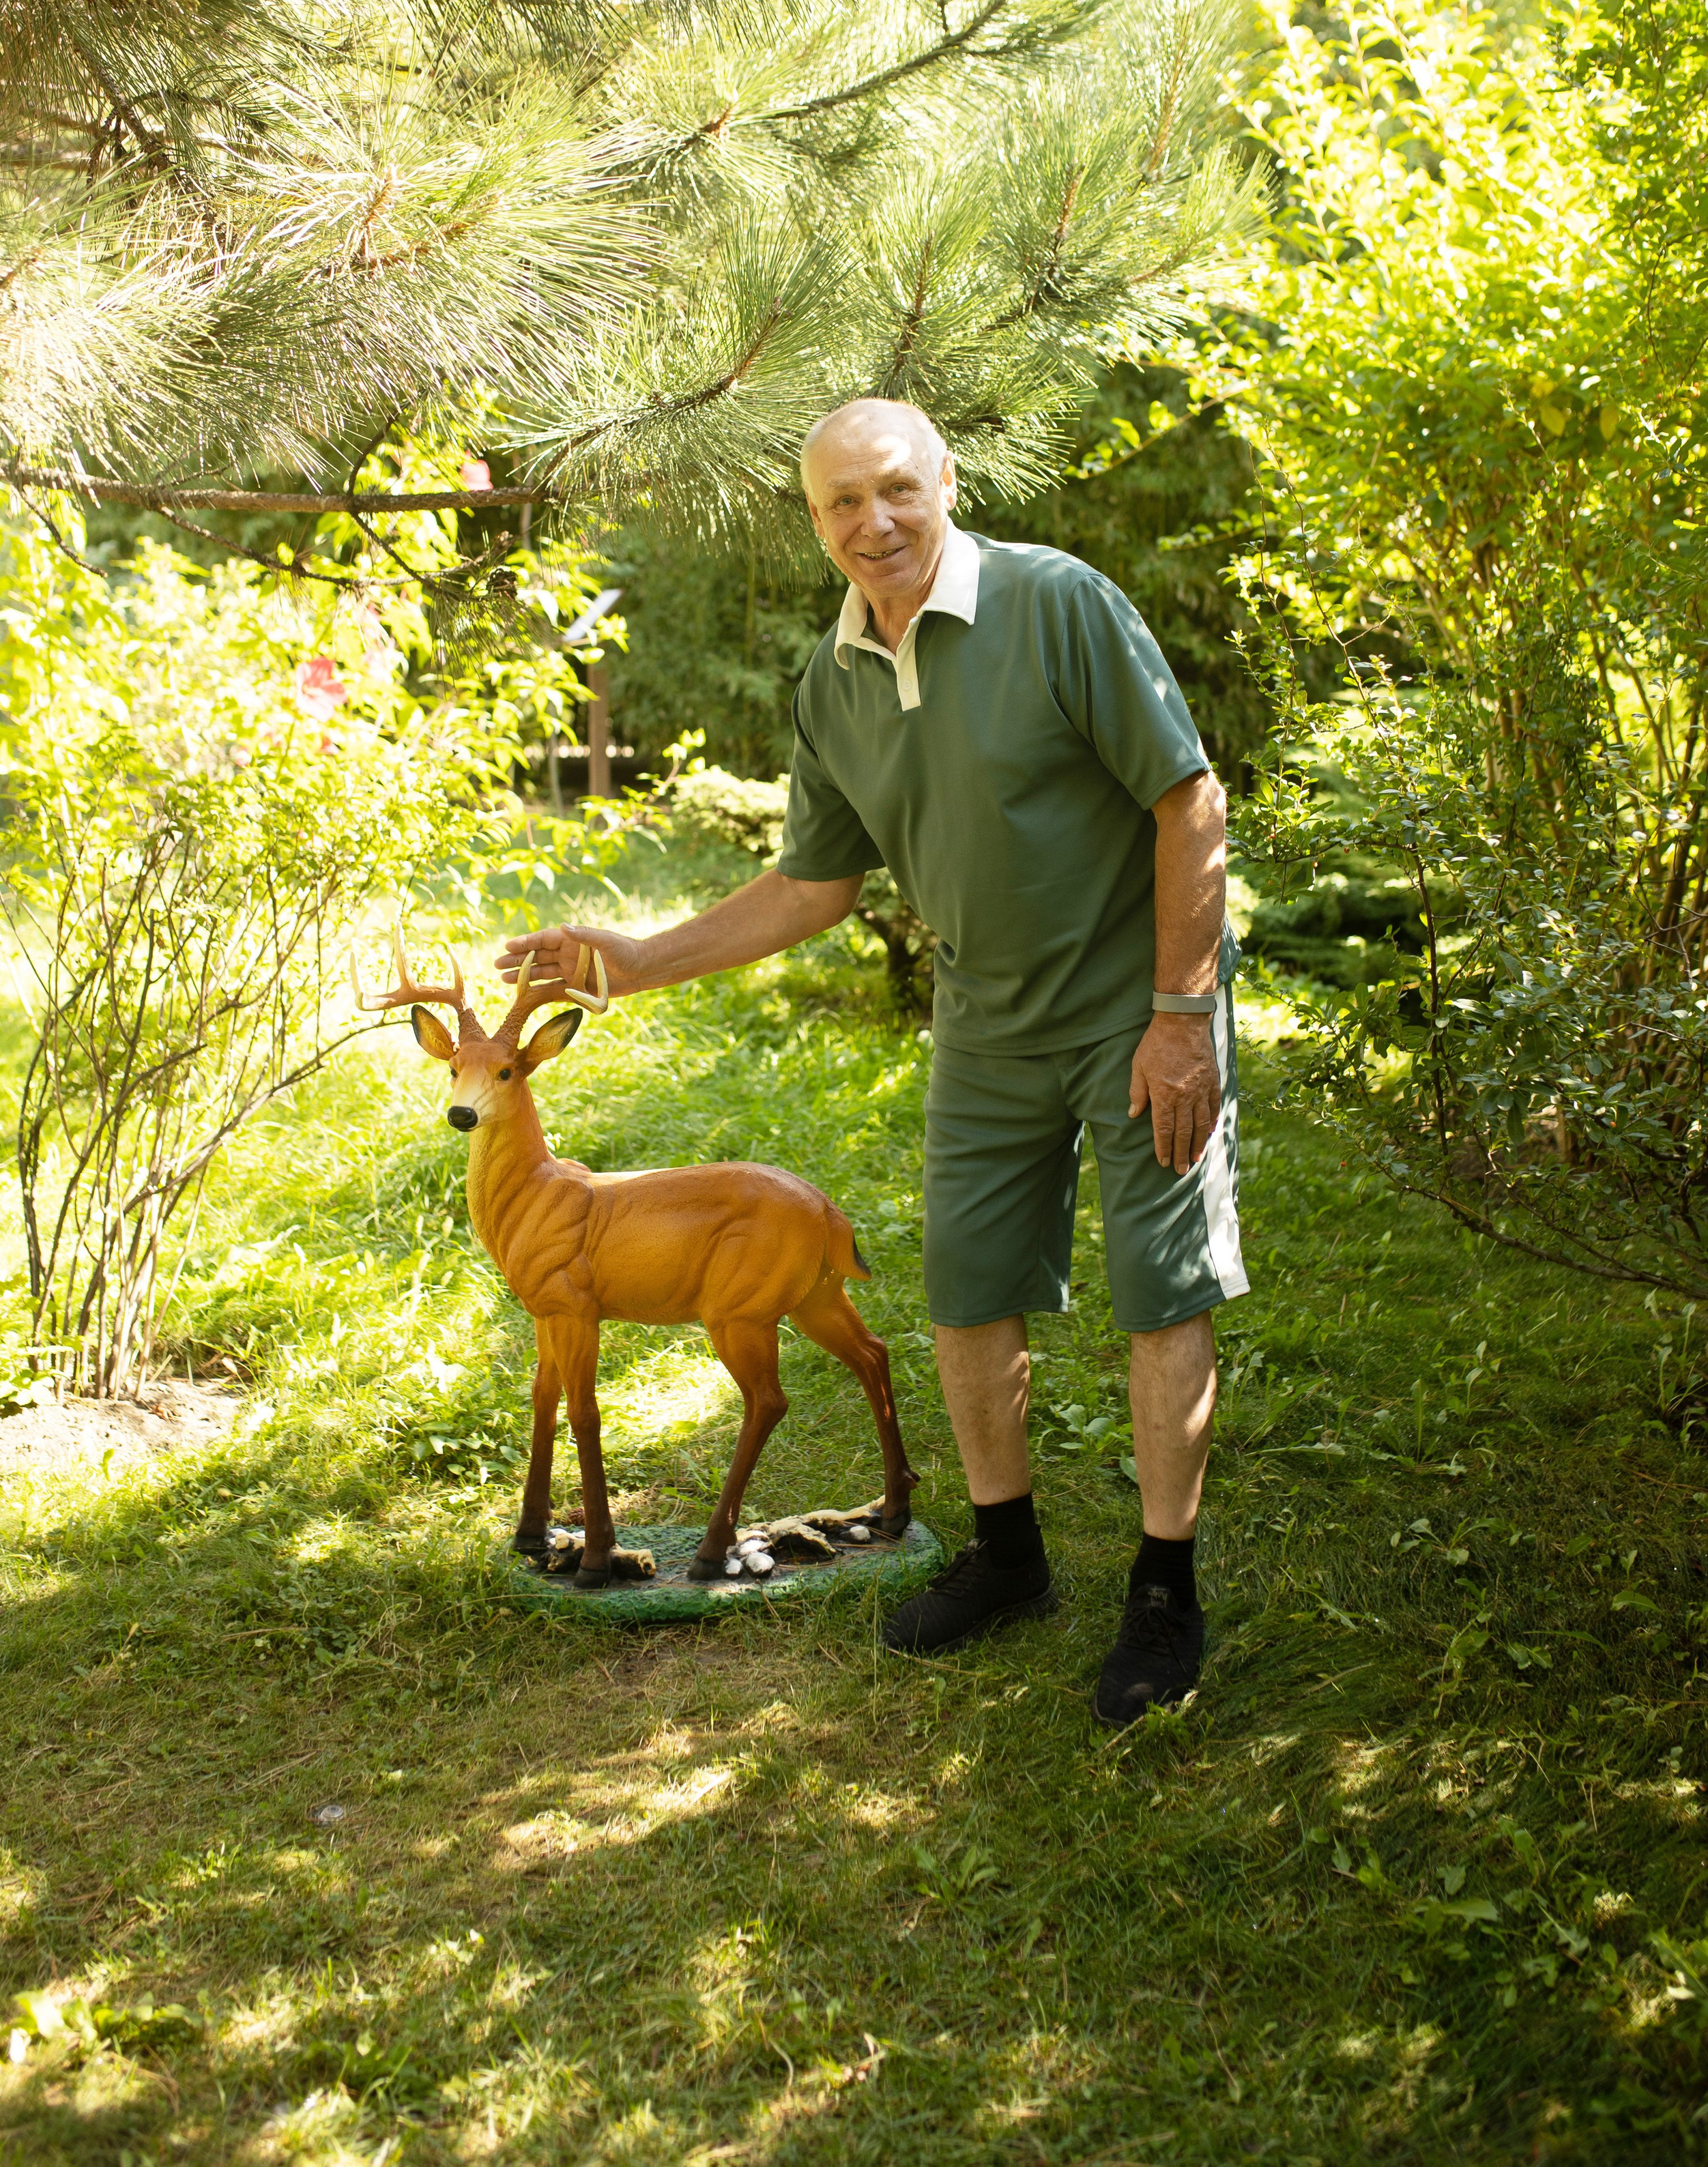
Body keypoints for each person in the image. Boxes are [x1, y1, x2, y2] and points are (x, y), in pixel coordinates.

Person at [497, 398, 1246, 1726]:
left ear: (944, 481)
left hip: (1136, 1003)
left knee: (1156, 1286)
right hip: (985, 1015)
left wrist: (1180, 1014)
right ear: (814, 521)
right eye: (840, 502)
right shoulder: (831, 678)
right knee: (965, 1284)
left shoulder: (1055, 604)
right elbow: (809, 887)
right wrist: (630, 958)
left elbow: (1187, 797)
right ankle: (1006, 1557)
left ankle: (1160, 1589)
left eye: (894, 488)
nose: (872, 520)